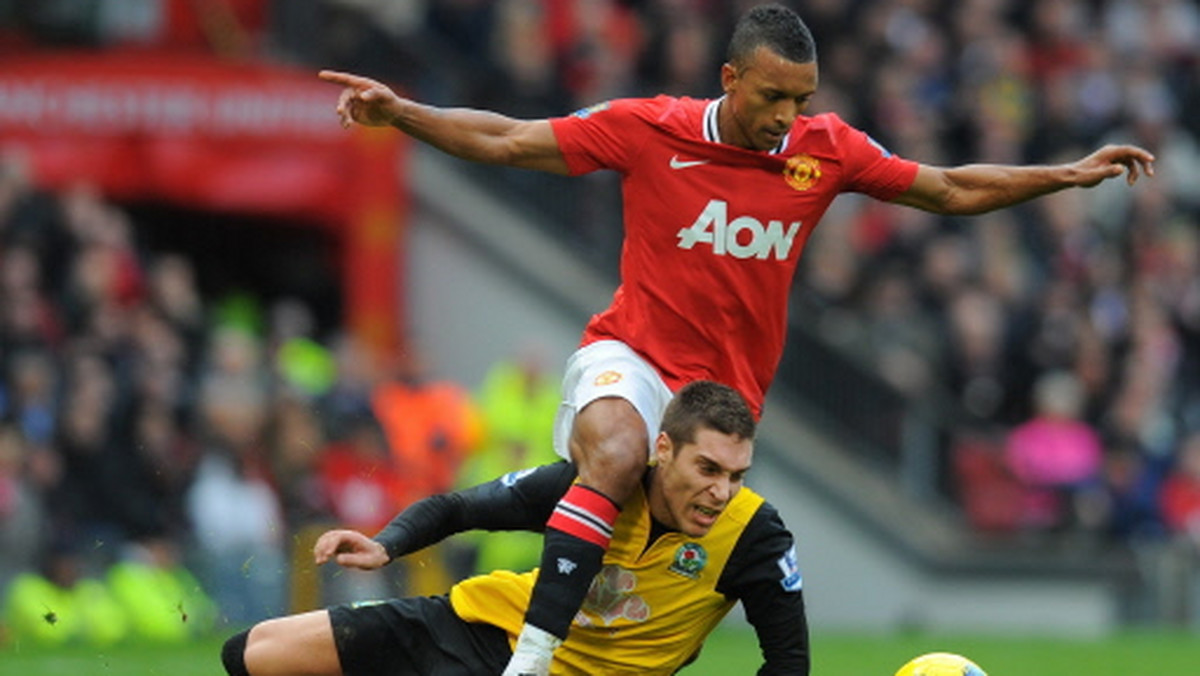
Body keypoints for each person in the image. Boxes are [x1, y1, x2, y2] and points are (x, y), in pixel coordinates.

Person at [318, 4, 1155, 673]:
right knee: (613, 451)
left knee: (662, 557)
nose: (788, 117)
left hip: (721, 403)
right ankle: (530, 663)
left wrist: (1065, 174)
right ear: (730, 78)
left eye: (803, 99)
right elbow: (508, 137)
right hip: (632, 358)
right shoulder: (653, 128)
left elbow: (947, 188)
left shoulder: (825, 151)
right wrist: (404, 113)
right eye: (772, 97)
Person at [220, 380, 808, 675]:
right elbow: (458, 508)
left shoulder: (755, 535)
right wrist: (386, 543)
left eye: (735, 475)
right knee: (253, 654)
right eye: (707, 468)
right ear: (663, 448)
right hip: (481, 633)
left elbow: (789, 666)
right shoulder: (601, 483)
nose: (720, 492)